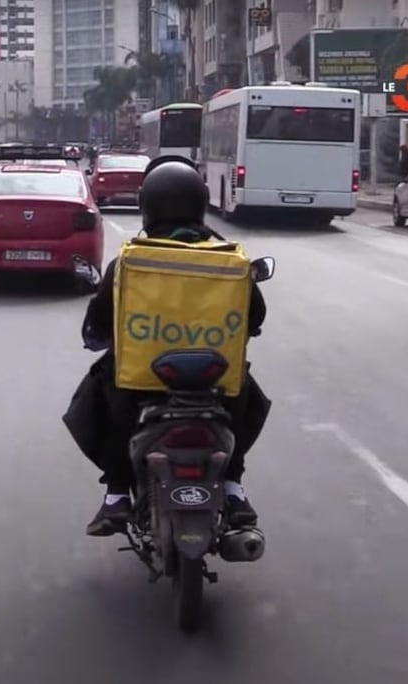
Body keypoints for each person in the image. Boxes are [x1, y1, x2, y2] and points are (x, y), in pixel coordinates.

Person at [64, 157, 272, 537]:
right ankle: (233, 487)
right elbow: (255, 316)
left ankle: (116, 495)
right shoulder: (230, 260)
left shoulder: (129, 261)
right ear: (199, 203)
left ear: (147, 207)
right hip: (215, 382)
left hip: (141, 380)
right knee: (246, 395)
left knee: (102, 394)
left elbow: (99, 320)